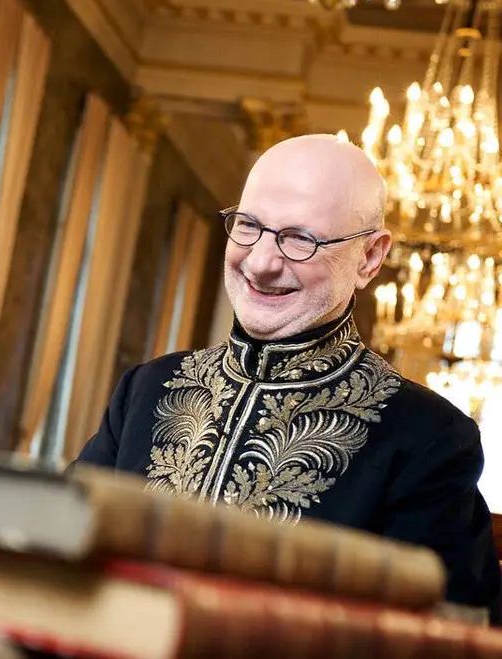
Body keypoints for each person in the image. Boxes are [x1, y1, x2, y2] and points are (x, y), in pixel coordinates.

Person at [76, 134, 502, 623]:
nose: (260, 263)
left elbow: (448, 633)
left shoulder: (430, 438)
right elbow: (62, 552)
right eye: (248, 226)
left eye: (301, 239)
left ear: (369, 258)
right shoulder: (147, 388)